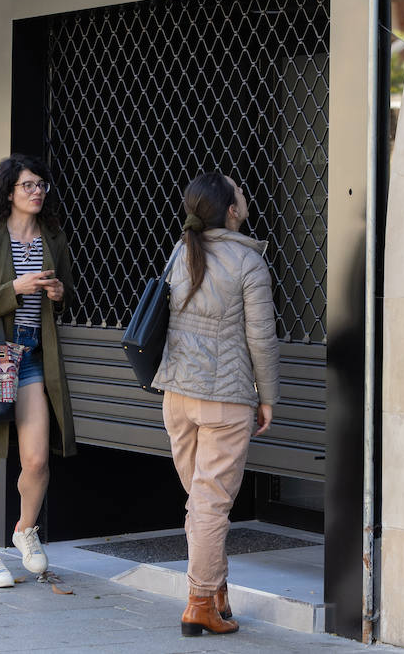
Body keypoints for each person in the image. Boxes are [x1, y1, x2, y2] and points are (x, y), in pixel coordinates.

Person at [152, 172, 278, 637]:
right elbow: (261, 339)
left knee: (200, 503)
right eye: (241, 195)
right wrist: (268, 397)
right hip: (225, 401)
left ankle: (216, 591)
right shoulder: (248, 261)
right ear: (231, 211)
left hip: (177, 397)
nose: (245, 197)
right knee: (210, 505)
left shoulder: (181, 251)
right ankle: (200, 602)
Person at [0, 155, 77, 588]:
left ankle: (24, 528)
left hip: (32, 360)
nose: (37, 191)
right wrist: (14, 290)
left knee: (38, 459)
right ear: (9, 192)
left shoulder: (53, 238)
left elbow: (67, 294)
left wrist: (59, 293)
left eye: (41, 184)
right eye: (28, 185)